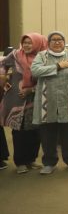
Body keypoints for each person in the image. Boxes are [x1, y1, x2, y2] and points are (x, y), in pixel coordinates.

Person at [31, 31, 68, 174]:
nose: (57, 42)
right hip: (46, 102)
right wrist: (58, 66)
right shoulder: (41, 56)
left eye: (60, 40)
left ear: (64, 42)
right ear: (48, 43)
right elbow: (35, 71)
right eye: (54, 40)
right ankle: (49, 163)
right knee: (47, 135)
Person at [0, 33, 48, 173]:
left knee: (34, 131)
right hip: (17, 99)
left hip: (36, 98)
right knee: (19, 131)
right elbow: (2, 64)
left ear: (37, 43)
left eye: (30, 42)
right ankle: (20, 162)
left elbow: (47, 79)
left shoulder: (44, 58)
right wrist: (3, 76)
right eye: (24, 42)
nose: (26, 45)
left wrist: (31, 90)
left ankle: (31, 160)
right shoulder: (15, 55)